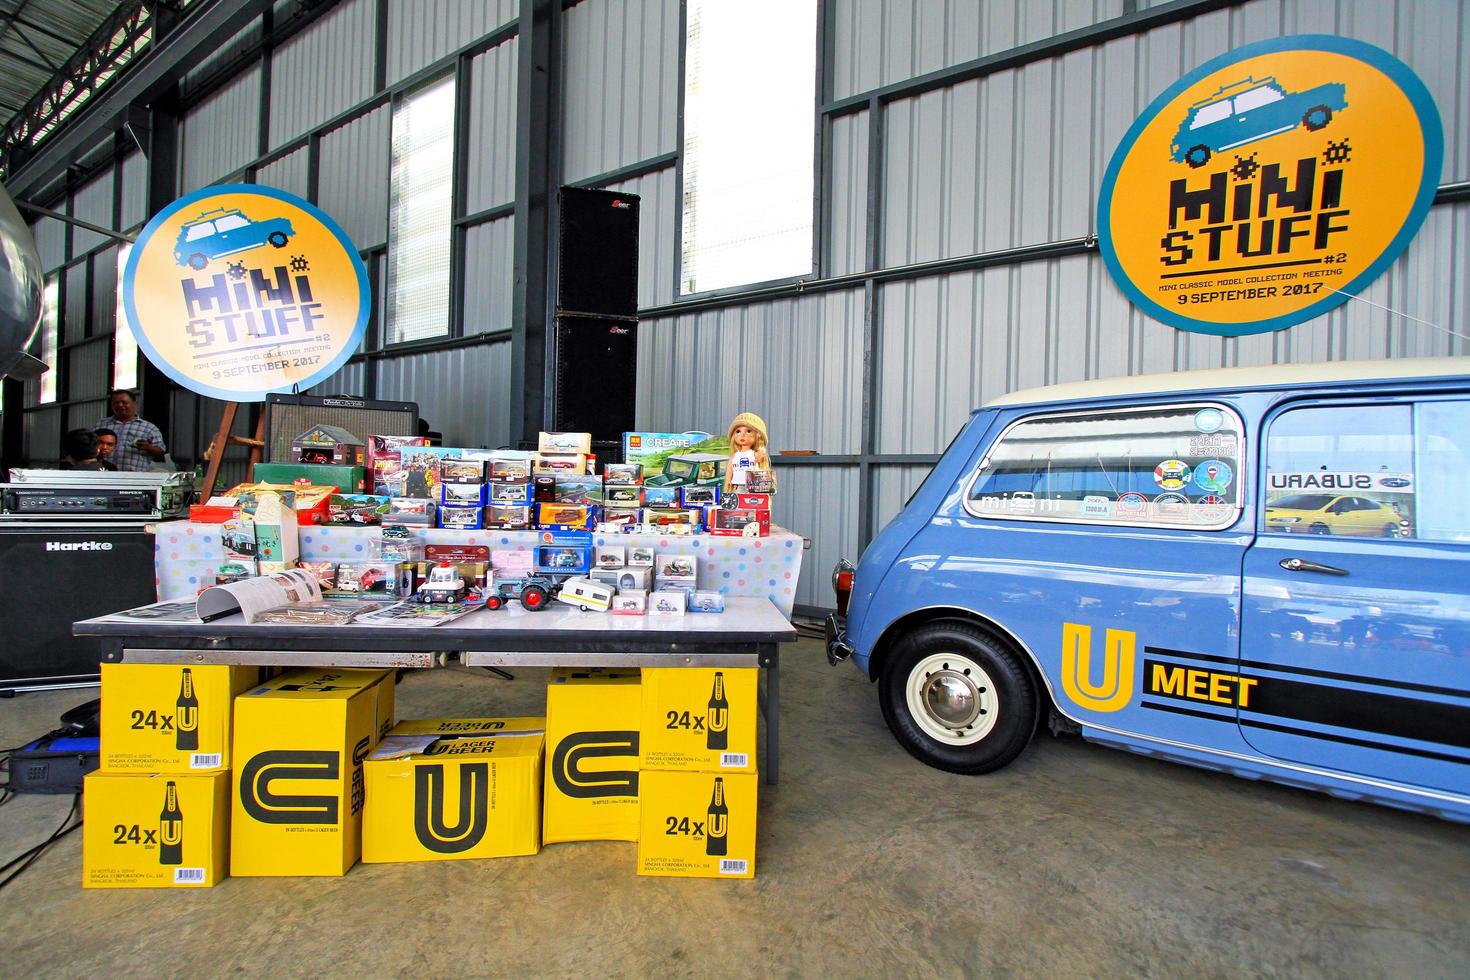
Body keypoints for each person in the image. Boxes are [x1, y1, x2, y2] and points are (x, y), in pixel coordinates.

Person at [96, 388, 169, 471]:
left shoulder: (149, 428)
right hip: (104, 474)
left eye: (124, 402)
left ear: (135, 404)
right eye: (116, 403)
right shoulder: (101, 424)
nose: (120, 405)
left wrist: (148, 447)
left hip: (133, 476)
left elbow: (161, 453)